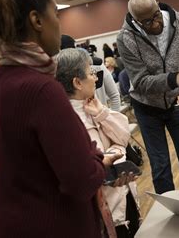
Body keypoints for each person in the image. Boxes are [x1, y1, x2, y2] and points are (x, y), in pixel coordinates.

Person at [0, 0, 118, 237]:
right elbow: (81, 180)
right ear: (36, 20)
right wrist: (98, 158)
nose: (59, 23)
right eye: (55, 14)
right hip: (51, 224)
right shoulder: (41, 88)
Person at [117, 0, 179, 194]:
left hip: (177, 102)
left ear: (158, 6)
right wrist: (174, 79)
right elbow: (140, 81)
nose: (154, 24)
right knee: (161, 166)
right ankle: (168, 215)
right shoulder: (126, 38)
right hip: (146, 108)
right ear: (136, 21)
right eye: (146, 22)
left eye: (155, 16)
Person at [56, 48, 140, 238]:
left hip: (124, 196)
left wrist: (102, 113)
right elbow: (97, 160)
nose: (95, 78)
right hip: (105, 210)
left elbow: (123, 138)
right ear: (77, 82)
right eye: (91, 73)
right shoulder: (69, 120)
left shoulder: (93, 105)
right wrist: (114, 154)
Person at [61, 34, 121, 111]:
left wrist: (112, 119)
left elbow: (114, 95)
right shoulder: (63, 74)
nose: (95, 78)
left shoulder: (97, 65)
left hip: (102, 116)